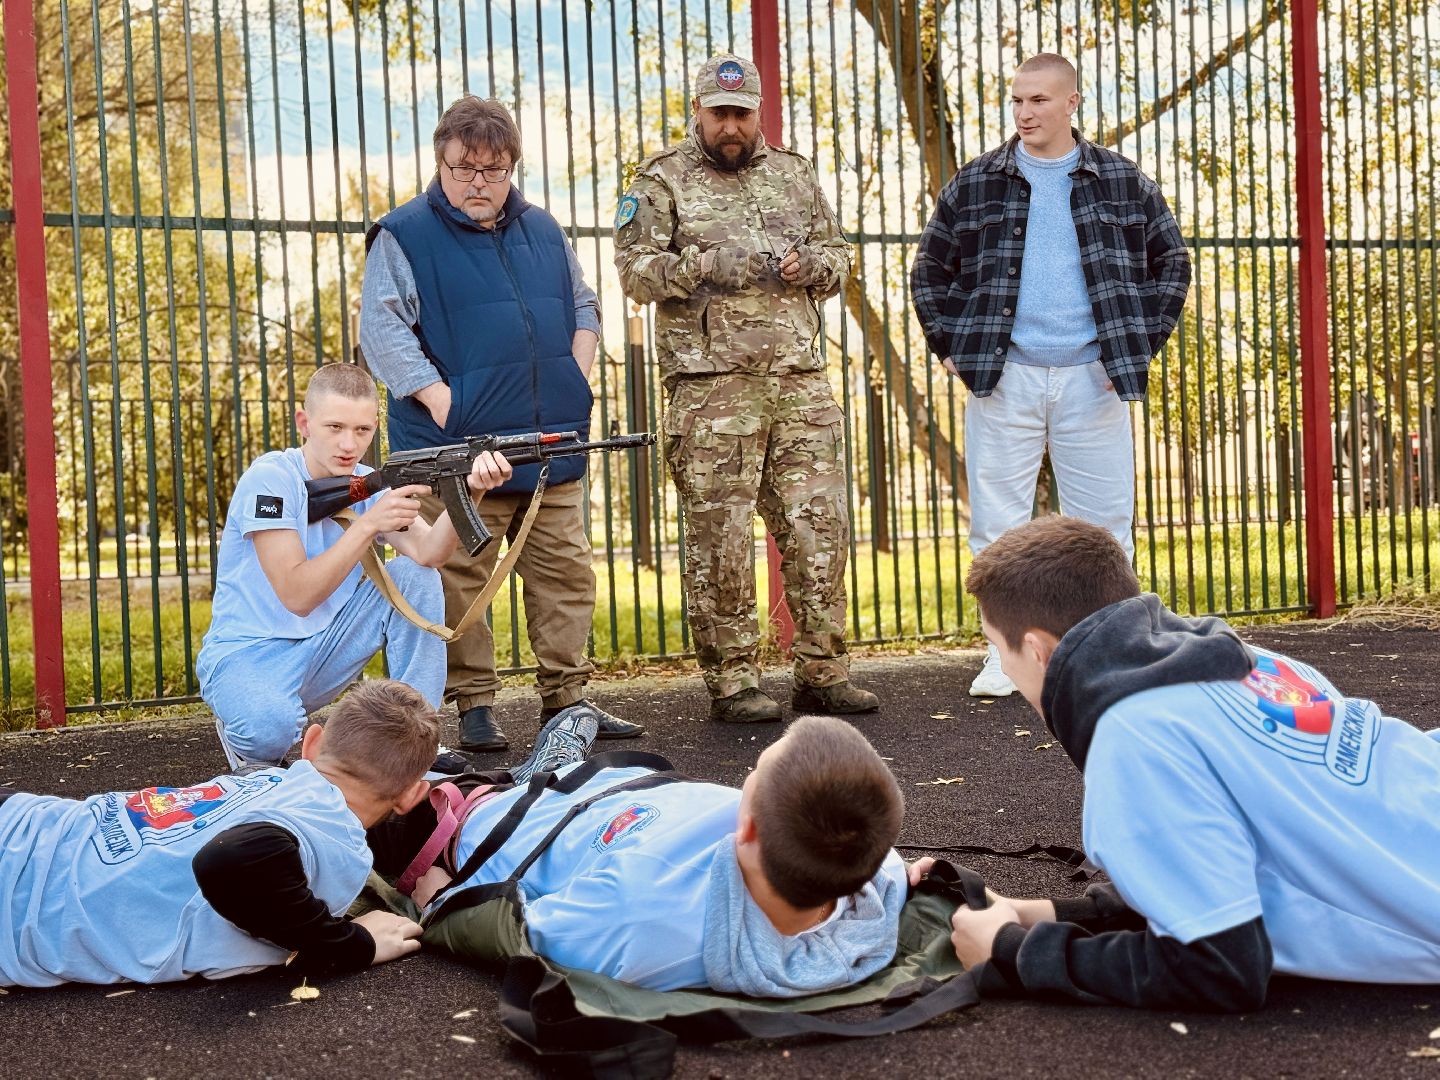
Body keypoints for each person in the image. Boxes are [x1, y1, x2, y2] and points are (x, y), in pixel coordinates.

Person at [921, 514, 1440, 1010]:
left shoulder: (1136, 738)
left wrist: (1013, 954)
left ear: (1037, 651)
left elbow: (1220, 967)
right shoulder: (1249, 662)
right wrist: (1038, 916)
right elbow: (1236, 875)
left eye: (995, 648)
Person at [360, 95, 643, 754]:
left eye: (494, 169)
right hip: (455, 449)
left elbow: (583, 304)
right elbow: (382, 330)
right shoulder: (403, 234)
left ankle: (566, 701)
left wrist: (575, 377)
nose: (479, 183)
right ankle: (475, 708)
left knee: (566, 577)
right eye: (464, 169)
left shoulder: (542, 229)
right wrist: (443, 403)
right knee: (459, 578)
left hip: (551, 448)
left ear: (512, 165)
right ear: (441, 161)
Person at [910, 52, 1191, 698]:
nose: (1024, 112)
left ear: (1072, 103)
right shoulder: (977, 182)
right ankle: (1004, 657)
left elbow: (1171, 262)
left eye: (1038, 100)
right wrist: (949, 345)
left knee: (1104, 527)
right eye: (1016, 100)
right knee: (998, 527)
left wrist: (1136, 345)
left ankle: (1106, 653)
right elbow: (930, 271)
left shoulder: (1123, 181)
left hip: (1094, 379)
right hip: (1004, 378)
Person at [614, 54, 878, 724]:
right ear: (697, 111)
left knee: (820, 528)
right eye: (718, 113)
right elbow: (634, 272)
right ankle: (733, 681)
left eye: (741, 113)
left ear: (757, 111)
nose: (730, 126)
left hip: (799, 380)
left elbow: (838, 253)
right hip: (712, 389)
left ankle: (823, 671)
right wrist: (703, 264)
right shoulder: (660, 178)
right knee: (720, 539)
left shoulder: (793, 174)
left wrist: (814, 263)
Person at [371, 714, 909, 995]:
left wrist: (443, 900)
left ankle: (507, 765)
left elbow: (514, 930)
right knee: (524, 773)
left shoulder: (637, 914)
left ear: (745, 828)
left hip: (477, 825)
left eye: (751, 776)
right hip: (595, 790)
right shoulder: (864, 867)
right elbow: (887, 865)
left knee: (379, 768)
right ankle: (547, 760)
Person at [0, 679, 439, 988]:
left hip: (28, 823)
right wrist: (350, 945)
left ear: (312, 742)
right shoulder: (330, 829)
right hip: (20, 913)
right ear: (409, 796)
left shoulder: (271, 782)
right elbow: (234, 858)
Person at [196, 363, 512, 773]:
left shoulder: (366, 482)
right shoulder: (270, 479)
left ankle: (419, 738)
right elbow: (297, 595)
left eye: (362, 431)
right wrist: (367, 526)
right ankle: (250, 723)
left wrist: (473, 490)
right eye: (334, 427)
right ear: (304, 423)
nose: (349, 444)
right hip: (249, 654)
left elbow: (430, 552)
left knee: (416, 576)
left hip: (325, 648)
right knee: (267, 733)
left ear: (375, 427)